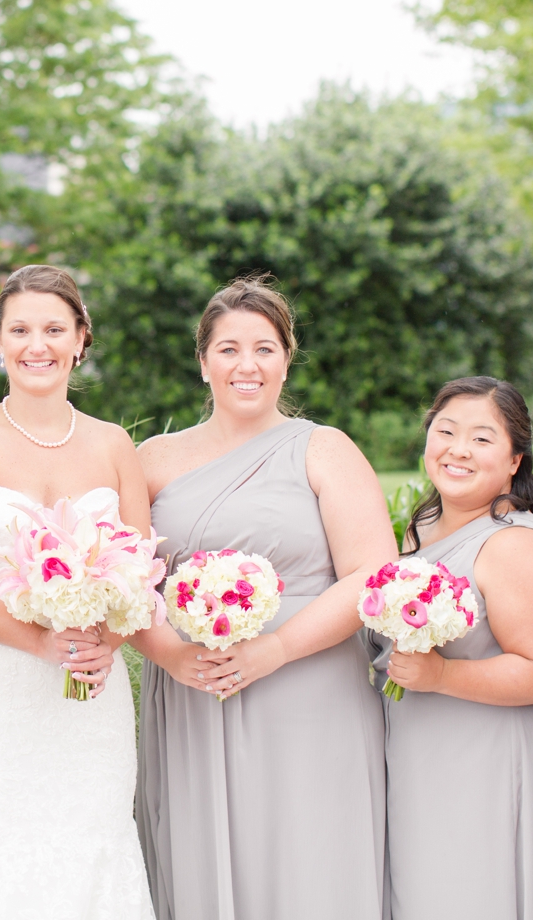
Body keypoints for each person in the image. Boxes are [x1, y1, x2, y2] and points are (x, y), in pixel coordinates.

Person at [132, 277, 398, 920]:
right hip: (196, 690)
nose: (246, 365)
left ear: (286, 358)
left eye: (264, 348)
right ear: (203, 362)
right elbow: (123, 582)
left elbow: (372, 572)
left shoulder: (324, 448)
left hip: (309, 688)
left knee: (310, 857)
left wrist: (274, 648)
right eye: (227, 349)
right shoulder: (152, 459)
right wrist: (170, 655)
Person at [0, 264, 156, 919]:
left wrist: (108, 640)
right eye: (20, 329)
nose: (37, 345)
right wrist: (39, 642)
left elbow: (139, 573)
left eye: (54, 329)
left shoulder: (112, 444)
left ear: (80, 339)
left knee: (96, 851)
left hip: (90, 701)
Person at [374, 376, 533, 920]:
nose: (458, 449)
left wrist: (441, 677)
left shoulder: (514, 544)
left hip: (491, 762)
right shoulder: (426, 524)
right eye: (446, 431)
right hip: (427, 754)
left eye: (482, 439)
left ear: (515, 460)